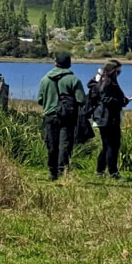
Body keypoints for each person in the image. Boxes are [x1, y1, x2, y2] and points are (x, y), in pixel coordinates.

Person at [35, 52, 87, 180]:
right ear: (69, 64)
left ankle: (52, 172)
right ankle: (61, 171)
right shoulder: (74, 80)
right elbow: (81, 100)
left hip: (50, 116)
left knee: (52, 145)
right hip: (67, 117)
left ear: (55, 63)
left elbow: (40, 100)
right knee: (65, 145)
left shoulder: (45, 79)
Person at [85, 60, 130, 177]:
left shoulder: (99, 80)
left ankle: (100, 170)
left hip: (102, 117)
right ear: (114, 71)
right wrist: (122, 101)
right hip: (108, 117)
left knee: (107, 145)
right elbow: (106, 99)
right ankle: (113, 171)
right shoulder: (108, 83)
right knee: (113, 145)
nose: (119, 73)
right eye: (118, 71)